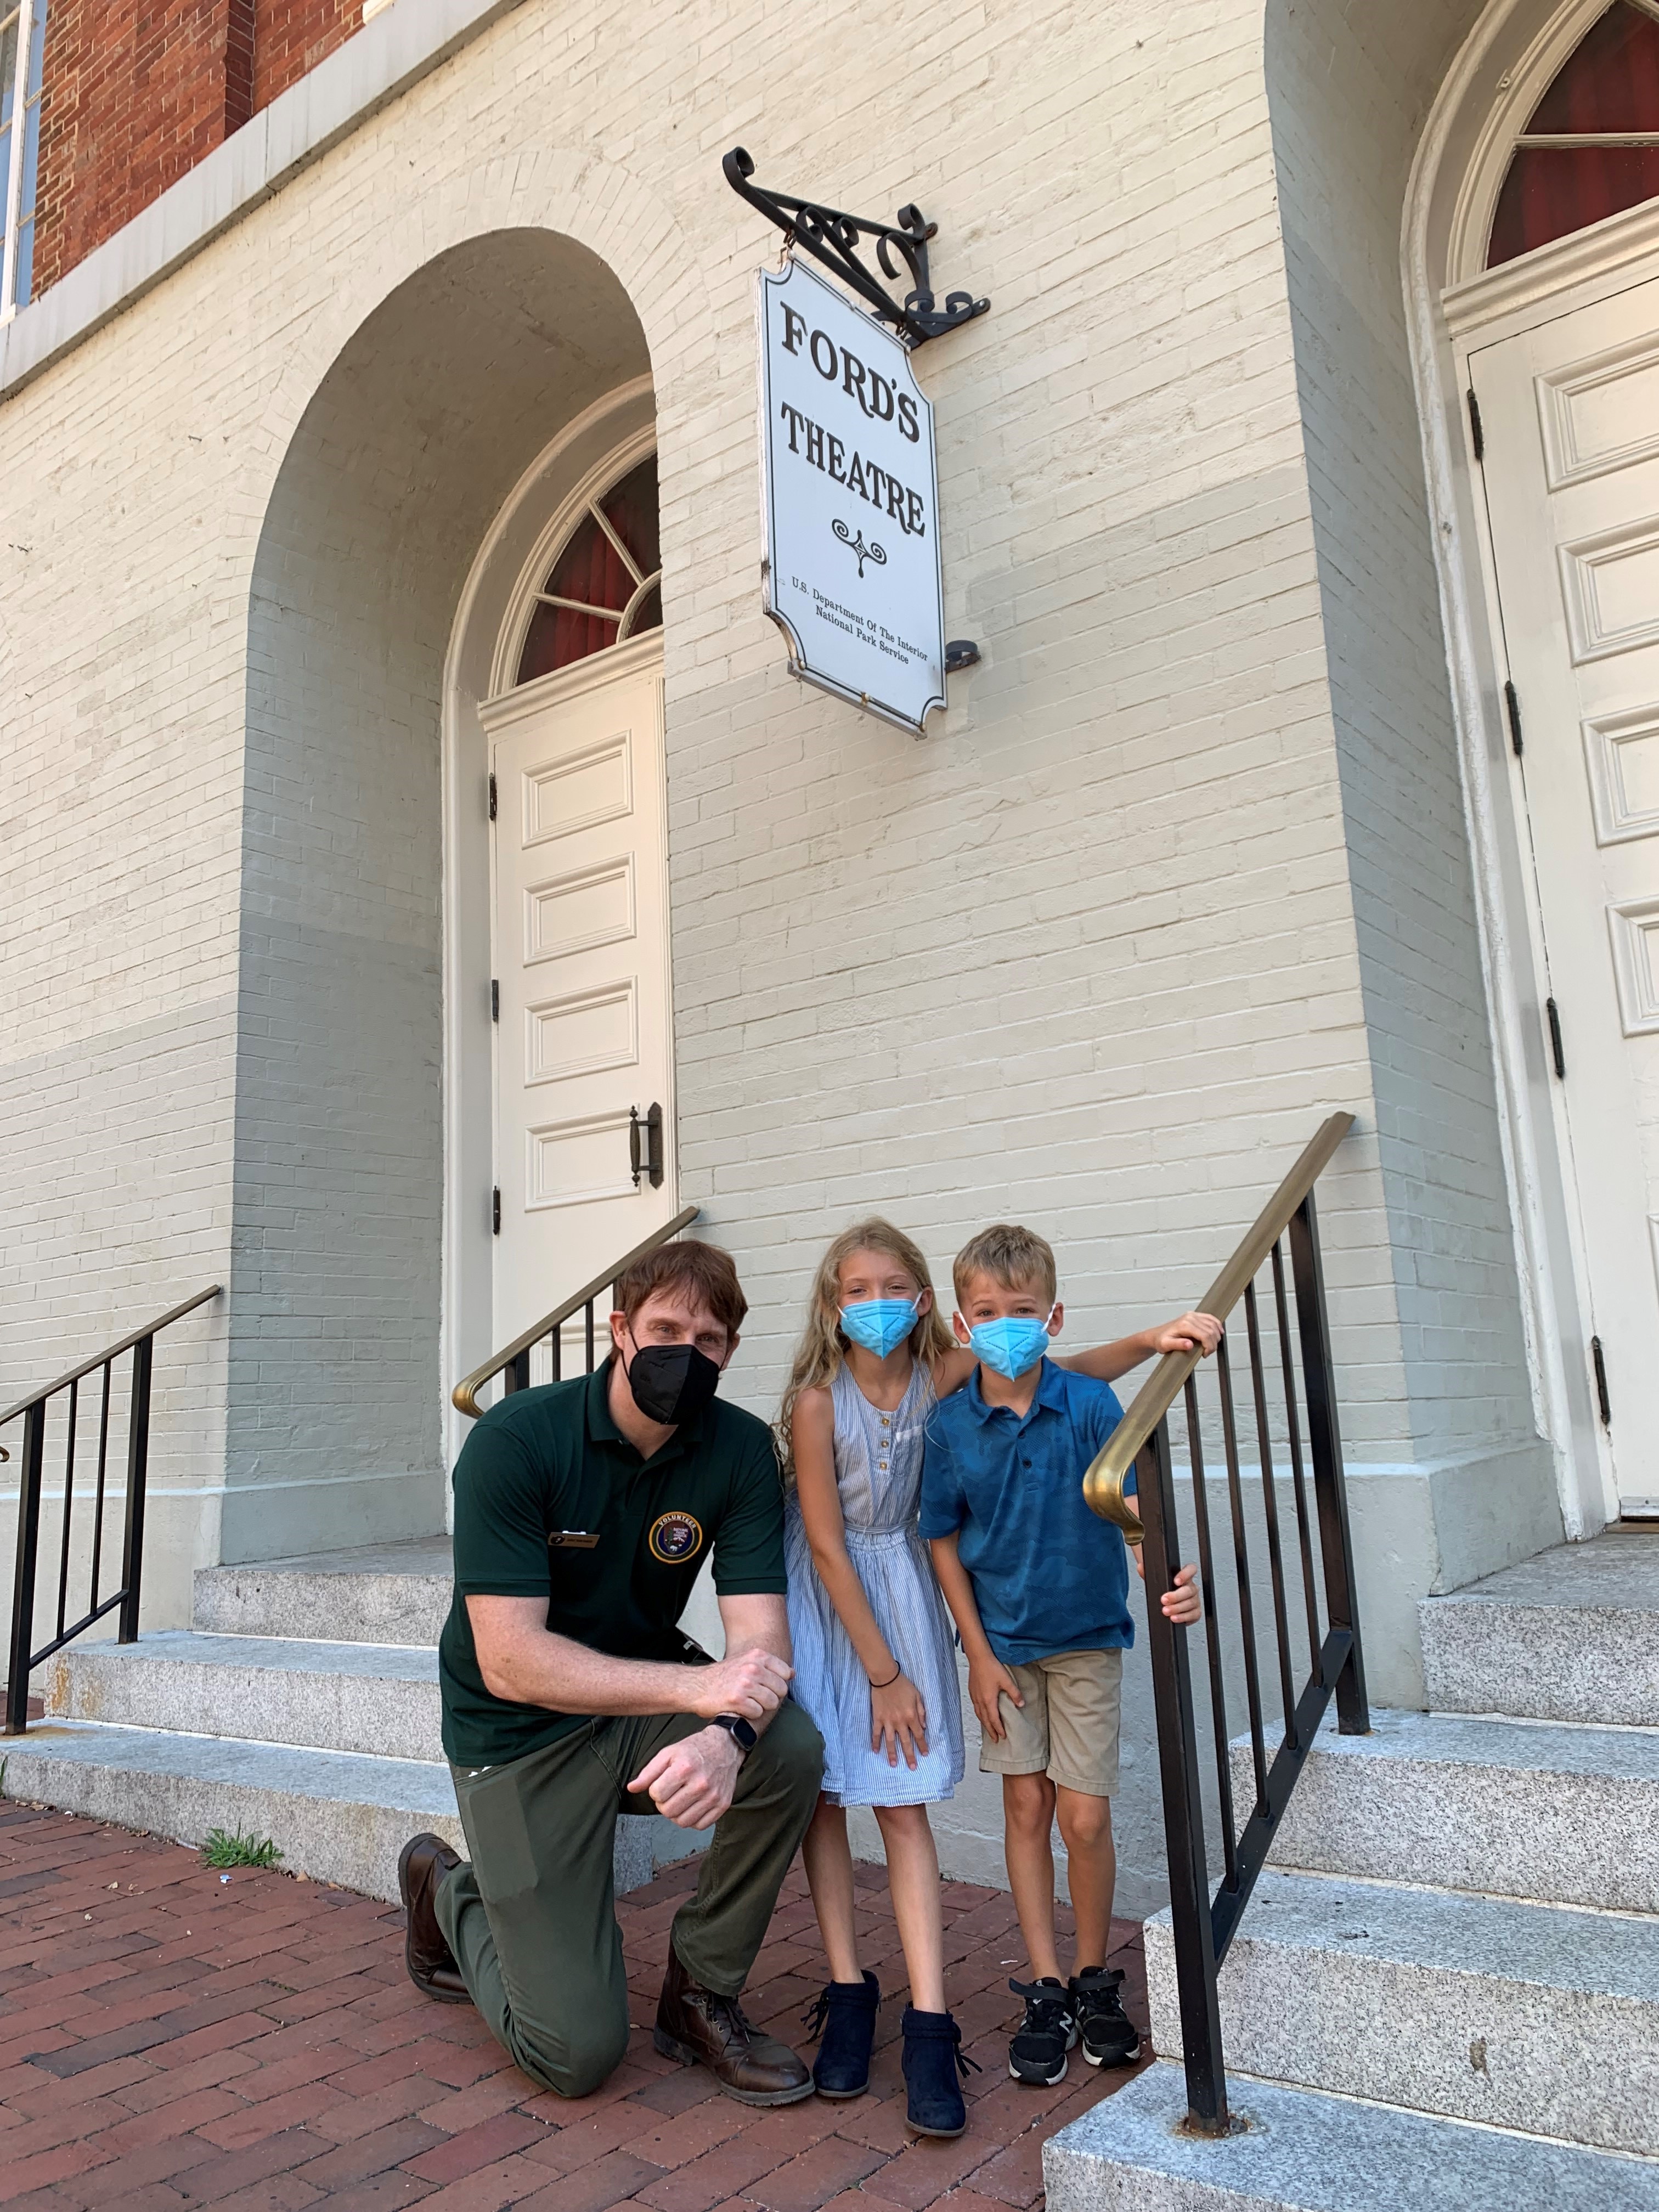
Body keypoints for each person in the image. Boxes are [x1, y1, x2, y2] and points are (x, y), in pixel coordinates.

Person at [785, 1217, 1219, 2128]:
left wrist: (1148, 1342)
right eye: (857, 1291)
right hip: (872, 1617)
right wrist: (918, 1663)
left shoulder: (959, 1379)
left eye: (894, 1288)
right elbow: (855, 1540)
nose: (876, 1306)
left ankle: (1017, 1998)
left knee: (999, 1808)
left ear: (925, 1304)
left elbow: (1065, 1384)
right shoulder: (864, 1403)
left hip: (996, 1613)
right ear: (834, 1303)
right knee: (845, 1795)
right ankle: (908, 1991)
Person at [397, 1239, 825, 2107]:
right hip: (515, 1734)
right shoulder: (518, 1439)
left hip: (632, 1704)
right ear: (620, 1329)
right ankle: (451, 1891)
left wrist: (731, 1734)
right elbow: (510, 1662)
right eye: (665, 1328)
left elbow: (761, 1649)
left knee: (789, 1746)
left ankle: (699, 1994)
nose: (685, 1353)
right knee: (574, 2055)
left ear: (730, 1353)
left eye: (708, 1340)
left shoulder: (739, 1451)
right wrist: (696, 1692)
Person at [921, 1223, 1211, 2090]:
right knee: (1024, 1811)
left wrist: (1166, 1572)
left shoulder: (1087, 1402)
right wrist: (974, 1653)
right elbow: (941, 1538)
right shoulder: (949, 1425)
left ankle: (1093, 1979)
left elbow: (1129, 1503)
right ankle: (1044, 1986)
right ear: (963, 1325)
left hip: (1086, 1640)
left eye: (1022, 1310)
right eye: (986, 1312)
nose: (1004, 1324)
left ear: (1053, 1316)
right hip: (1004, 1651)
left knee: (1083, 1818)